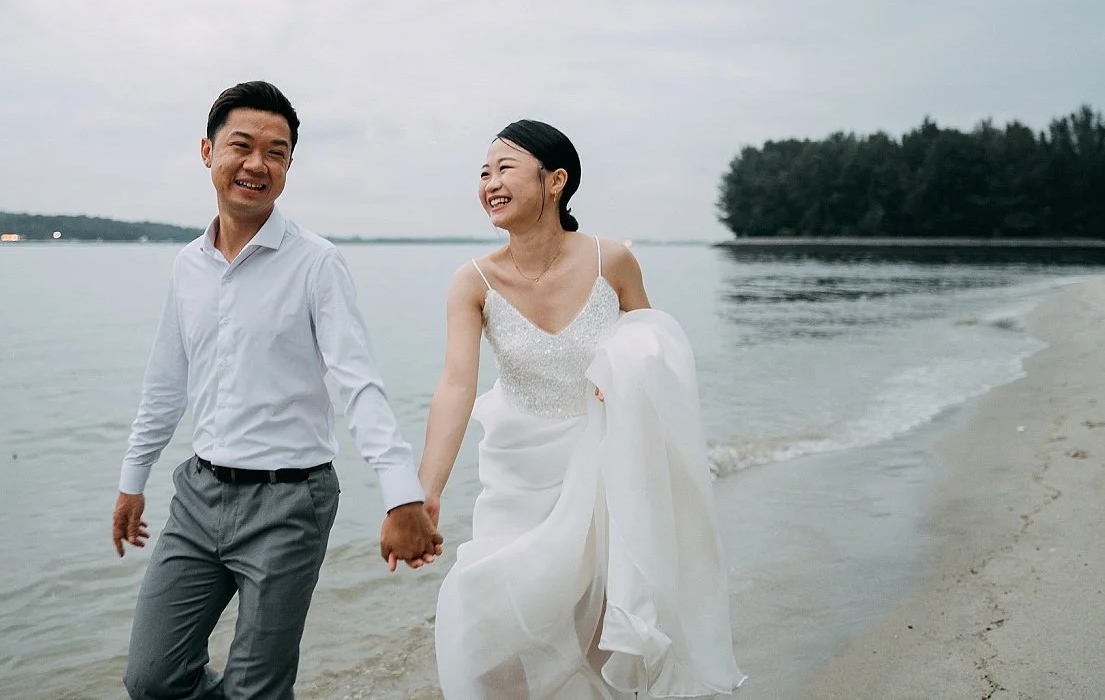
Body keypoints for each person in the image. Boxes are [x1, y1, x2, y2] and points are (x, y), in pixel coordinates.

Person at [112, 81, 442, 700]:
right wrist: (133, 479)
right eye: (242, 145)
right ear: (208, 152)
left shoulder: (316, 263)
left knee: (256, 689)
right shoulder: (187, 266)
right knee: (152, 679)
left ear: (289, 167)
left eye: (278, 152)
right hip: (199, 494)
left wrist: (404, 497)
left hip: (291, 502)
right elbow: (165, 383)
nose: (257, 164)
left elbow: (358, 384)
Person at [418, 119, 745, 699]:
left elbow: (655, 347)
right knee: (483, 614)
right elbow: (454, 387)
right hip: (516, 476)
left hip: (604, 466)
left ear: (555, 181)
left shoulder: (612, 261)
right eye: (484, 172)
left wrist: (618, 373)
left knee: (597, 630)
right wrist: (427, 491)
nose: (490, 182)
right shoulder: (472, 282)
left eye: (504, 169)